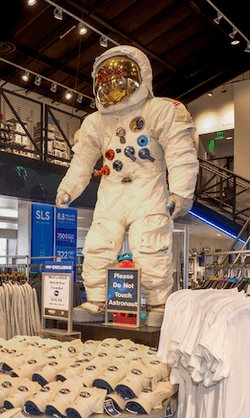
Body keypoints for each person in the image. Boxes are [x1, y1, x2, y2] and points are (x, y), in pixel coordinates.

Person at [55, 45, 198, 322]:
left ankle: (158, 305)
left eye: (120, 77)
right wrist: (68, 189)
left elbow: (180, 152)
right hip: (112, 192)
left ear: (140, 75)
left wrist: (181, 191)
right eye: (105, 79)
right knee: (98, 245)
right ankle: (97, 301)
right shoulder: (95, 123)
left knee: (149, 246)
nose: (112, 84)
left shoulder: (160, 110)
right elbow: (82, 161)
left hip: (148, 189)